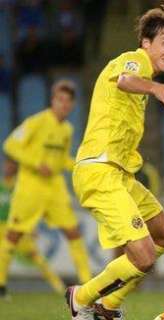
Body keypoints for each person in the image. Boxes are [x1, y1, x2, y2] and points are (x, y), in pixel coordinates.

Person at [67, 5, 164, 319]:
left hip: (121, 174)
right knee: (144, 257)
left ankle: (108, 305)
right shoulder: (134, 61)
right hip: (100, 169)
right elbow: (124, 79)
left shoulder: (144, 76)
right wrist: (156, 87)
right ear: (146, 43)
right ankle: (81, 297)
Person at [0, 80, 91, 297]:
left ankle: (88, 285)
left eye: (68, 101)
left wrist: (81, 164)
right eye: (60, 100)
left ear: (72, 104)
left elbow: (61, 161)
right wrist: (35, 162)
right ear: (52, 101)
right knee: (14, 234)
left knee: (73, 232)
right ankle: (1, 283)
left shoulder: (67, 129)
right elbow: (10, 145)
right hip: (30, 187)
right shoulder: (37, 122)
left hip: (55, 189)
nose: (64, 105)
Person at [0, 158, 65, 298]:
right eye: (6, 164)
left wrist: (31, 228)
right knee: (3, 255)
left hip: (16, 226)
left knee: (36, 256)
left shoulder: (20, 184)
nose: (7, 167)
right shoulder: (2, 184)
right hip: (1, 226)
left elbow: (29, 207)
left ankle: (59, 286)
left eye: (11, 164)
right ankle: (1, 288)